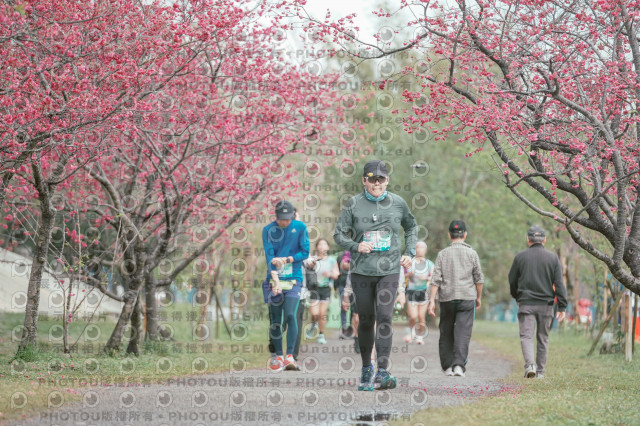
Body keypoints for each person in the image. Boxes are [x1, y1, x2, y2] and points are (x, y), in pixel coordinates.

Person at [334, 159, 417, 391]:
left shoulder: (398, 203)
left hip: (389, 271)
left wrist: (410, 252)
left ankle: (382, 370)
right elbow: (338, 234)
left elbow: (411, 227)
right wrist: (355, 245)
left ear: (387, 180)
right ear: (364, 180)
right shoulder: (353, 204)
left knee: (385, 317)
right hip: (361, 271)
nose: (377, 183)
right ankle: (365, 368)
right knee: (366, 319)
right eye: (372, 179)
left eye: (381, 179)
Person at [508, 225, 568, 378]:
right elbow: (559, 283)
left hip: (526, 303)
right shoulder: (553, 258)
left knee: (526, 336)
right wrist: (562, 306)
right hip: (546, 305)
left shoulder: (520, 257)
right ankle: (540, 372)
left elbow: (512, 280)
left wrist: (517, 297)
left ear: (528, 240)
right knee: (543, 338)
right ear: (544, 240)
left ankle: (530, 366)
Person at [428, 220, 484, 378]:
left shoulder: (443, 254)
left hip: (447, 298)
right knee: (463, 332)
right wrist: (478, 297)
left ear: (449, 235)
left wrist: (432, 301)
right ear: (465, 235)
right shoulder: (472, 253)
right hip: (467, 297)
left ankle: (447, 367)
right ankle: (459, 365)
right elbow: (479, 278)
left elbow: (435, 280)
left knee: (446, 331)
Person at [262, 200, 309, 372]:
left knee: (290, 314)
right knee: (276, 319)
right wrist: (275, 279)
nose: (285, 222)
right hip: (274, 278)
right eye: (282, 219)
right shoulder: (268, 230)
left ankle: (290, 356)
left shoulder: (300, 227)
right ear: (276, 216)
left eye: (288, 219)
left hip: (294, 279)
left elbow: (305, 252)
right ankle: (278, 356)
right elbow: (269, 256)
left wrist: (287, 259)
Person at [304, 238, 339, 344]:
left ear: (328, 247)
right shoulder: (313, 259)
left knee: (322, 314)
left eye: (324, 244)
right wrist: (312, 264)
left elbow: (336, 274)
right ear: (316, 247)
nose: (322, 246)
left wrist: (330, 274)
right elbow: (307, 269)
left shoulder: (332, 260)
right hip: (314, 288)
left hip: (326, 289)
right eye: (320, 244)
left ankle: (321, 334)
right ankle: (313, 325)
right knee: (315, 314)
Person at [398, 241, 434, 344]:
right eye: (417, 247)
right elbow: (401, 275)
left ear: (425, 250)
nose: (419, 249)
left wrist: (426, 277)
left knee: (421, 317)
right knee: (413, 316)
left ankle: (419, 336)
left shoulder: (430, 264)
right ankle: (411, 333)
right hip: (411, 292)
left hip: (424, 293)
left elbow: (434, 278)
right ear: (415, 250)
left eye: (422, 247)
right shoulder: (410, 262)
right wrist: (409, 274)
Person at [334, 250, 352, 339]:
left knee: (354, 310)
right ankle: (344, 330)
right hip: (342, 285)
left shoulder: (358, 254)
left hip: (355, 286)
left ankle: (352, 330)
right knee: (343, 308)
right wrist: (335, 288)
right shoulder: (340, 256)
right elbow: (337, 273)